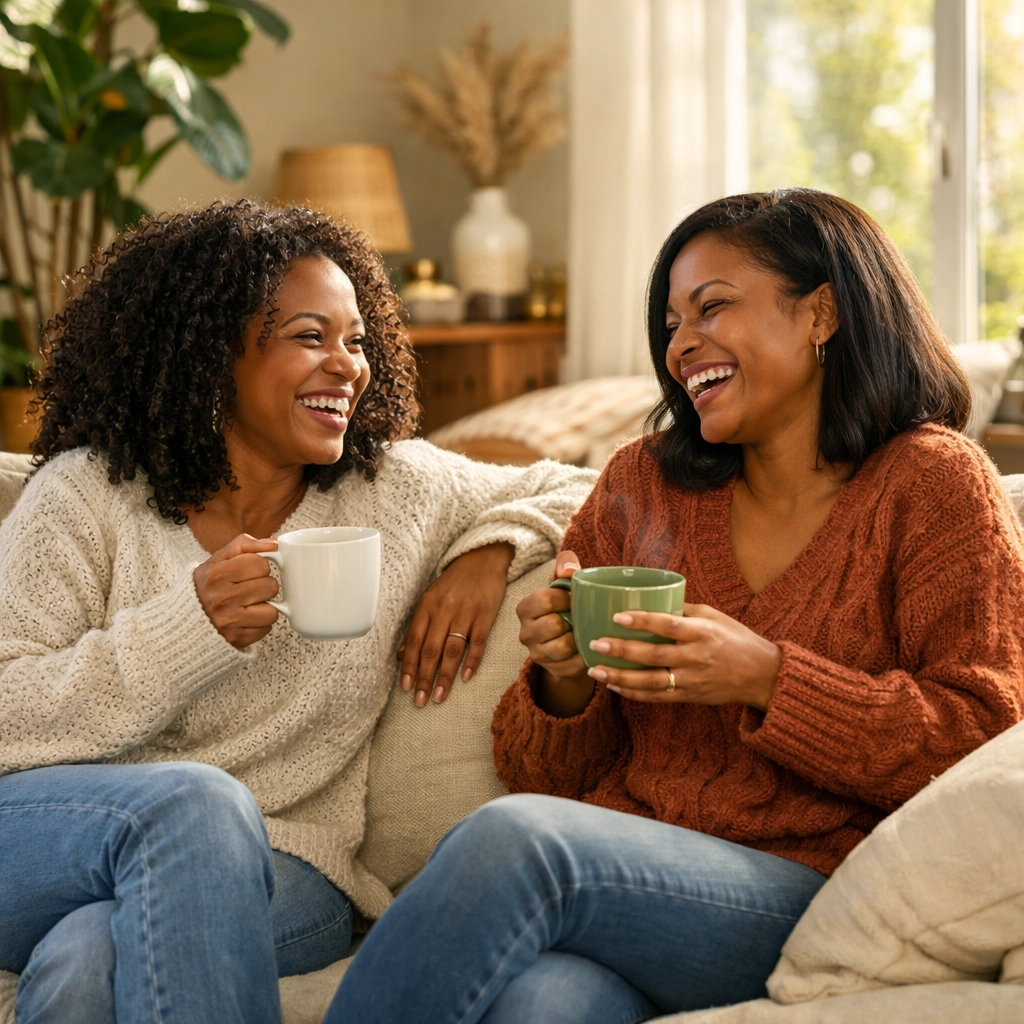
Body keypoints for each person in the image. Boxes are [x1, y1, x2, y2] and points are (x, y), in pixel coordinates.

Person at [328, 189, 1024, 1024]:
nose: (683, 343)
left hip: (813, 892)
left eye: (712, 308)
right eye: (670, 323)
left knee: (514, 840)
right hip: (633, 890)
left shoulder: (932, 484)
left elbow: (983, 735)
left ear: (823, 314)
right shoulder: (640, 482)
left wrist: (767, 679)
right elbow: (544, 773)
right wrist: (564, 681)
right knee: (546, 1004)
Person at [0, 200, 595, 1024]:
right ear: (212, 354)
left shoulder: (392, 490)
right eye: (311, 337)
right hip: (50, 835)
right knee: (195, 805)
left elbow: (584, 484)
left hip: (288, 865)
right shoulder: (85, 495)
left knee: (88, 956)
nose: (347, 367)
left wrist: (484, 552)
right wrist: (184, 634)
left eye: (356, 341)